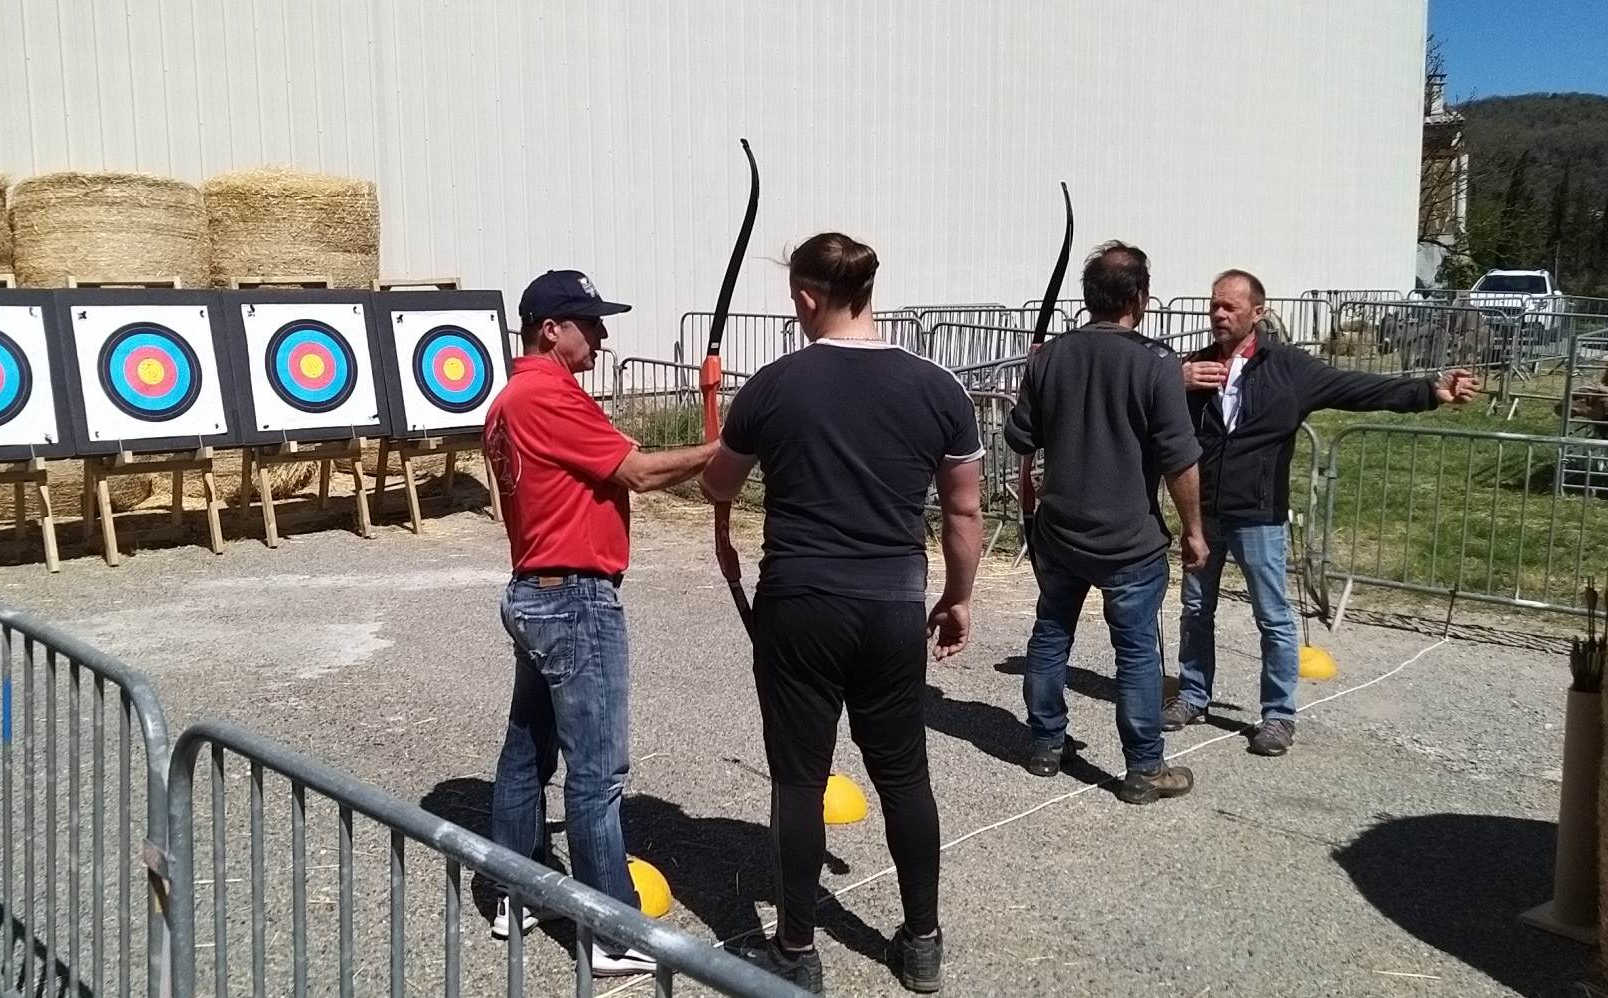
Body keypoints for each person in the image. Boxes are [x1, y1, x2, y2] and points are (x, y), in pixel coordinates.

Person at [701, 233, 984, 994]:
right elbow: (964, 511)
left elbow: (718, 485)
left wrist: (722, 446)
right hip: (893, 604)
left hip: (801, 603)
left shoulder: (775, 384)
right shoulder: (938, 387)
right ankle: (921, 942)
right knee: (903, 776)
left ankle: (796, 951)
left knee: (799, 781)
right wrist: (959, 597)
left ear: (806, 298)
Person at [482, 269, 719, 978]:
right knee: (598, 770)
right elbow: (638, 473)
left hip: (539, 591)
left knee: (528, 752)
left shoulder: (509, 399)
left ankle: (514, 890)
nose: (604, 335)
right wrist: (731, 448)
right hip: (573, 600)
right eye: (589, 322)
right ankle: (610, 926)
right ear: (549, 329)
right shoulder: (548, 394)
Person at [1162, 270, 1479, 755]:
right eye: (1214, 306)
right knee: (1195, 608)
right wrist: (1176, 378)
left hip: (1259, 514)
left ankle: (1278, 716)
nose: (1219, 315)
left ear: (1258, 313)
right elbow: (1145, 394)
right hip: (1202, 514)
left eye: (1230, 307)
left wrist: (1428, 391)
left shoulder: (1289, 368)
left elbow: (1360, 388)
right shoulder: (1194, 367)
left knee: (1273, 617)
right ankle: (1192, 695)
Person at [1003, 241, 1208, 805]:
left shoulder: (1051, 358)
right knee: (1137, 651)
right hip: (1128, 539)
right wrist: (1194, 530)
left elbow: (1019, 436)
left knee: (1051, 633)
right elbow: (1179, 458)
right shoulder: (1157, 362)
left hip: (1061, 531)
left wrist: (1041, 377)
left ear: (1089, 297)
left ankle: (1045, 744)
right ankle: (1143, 767)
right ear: (1139, 298)